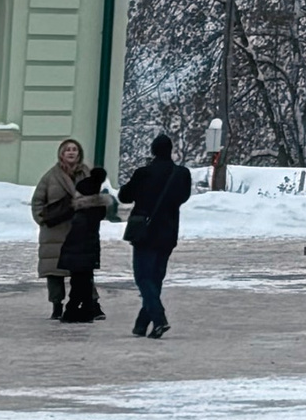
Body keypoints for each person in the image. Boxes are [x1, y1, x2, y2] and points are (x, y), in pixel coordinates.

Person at [118, 132, 194, 338]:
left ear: (153, 151)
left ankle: (159, 318)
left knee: (143, 277)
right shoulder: (182, 174)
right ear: (171, 151)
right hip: (168, 232)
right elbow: (183, 198)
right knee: (156, 278)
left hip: (144, 232)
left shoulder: (143, 173)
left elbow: (124, 196)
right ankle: (142, 324)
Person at [31, 138, 89, 320]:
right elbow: (38, 201)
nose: (71, 152)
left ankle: (89, 304)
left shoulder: (86, 175)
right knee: (55, 271)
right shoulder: (50, 177)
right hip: (55, 231)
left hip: (79, 229)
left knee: (81, 270)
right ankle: (57, 305)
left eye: (74, 150)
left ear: (79, 154)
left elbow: (96, 198)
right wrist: (42, 219)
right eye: (67, 150)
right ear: (61, 154)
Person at [57, 158, 117, 322]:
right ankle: (86, 308)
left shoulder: (82, 214)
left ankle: (74, 310)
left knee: (79, 281)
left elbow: (76, 237)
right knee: (83, 280)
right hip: (87, 252)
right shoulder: (94, 211)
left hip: (80, 252)